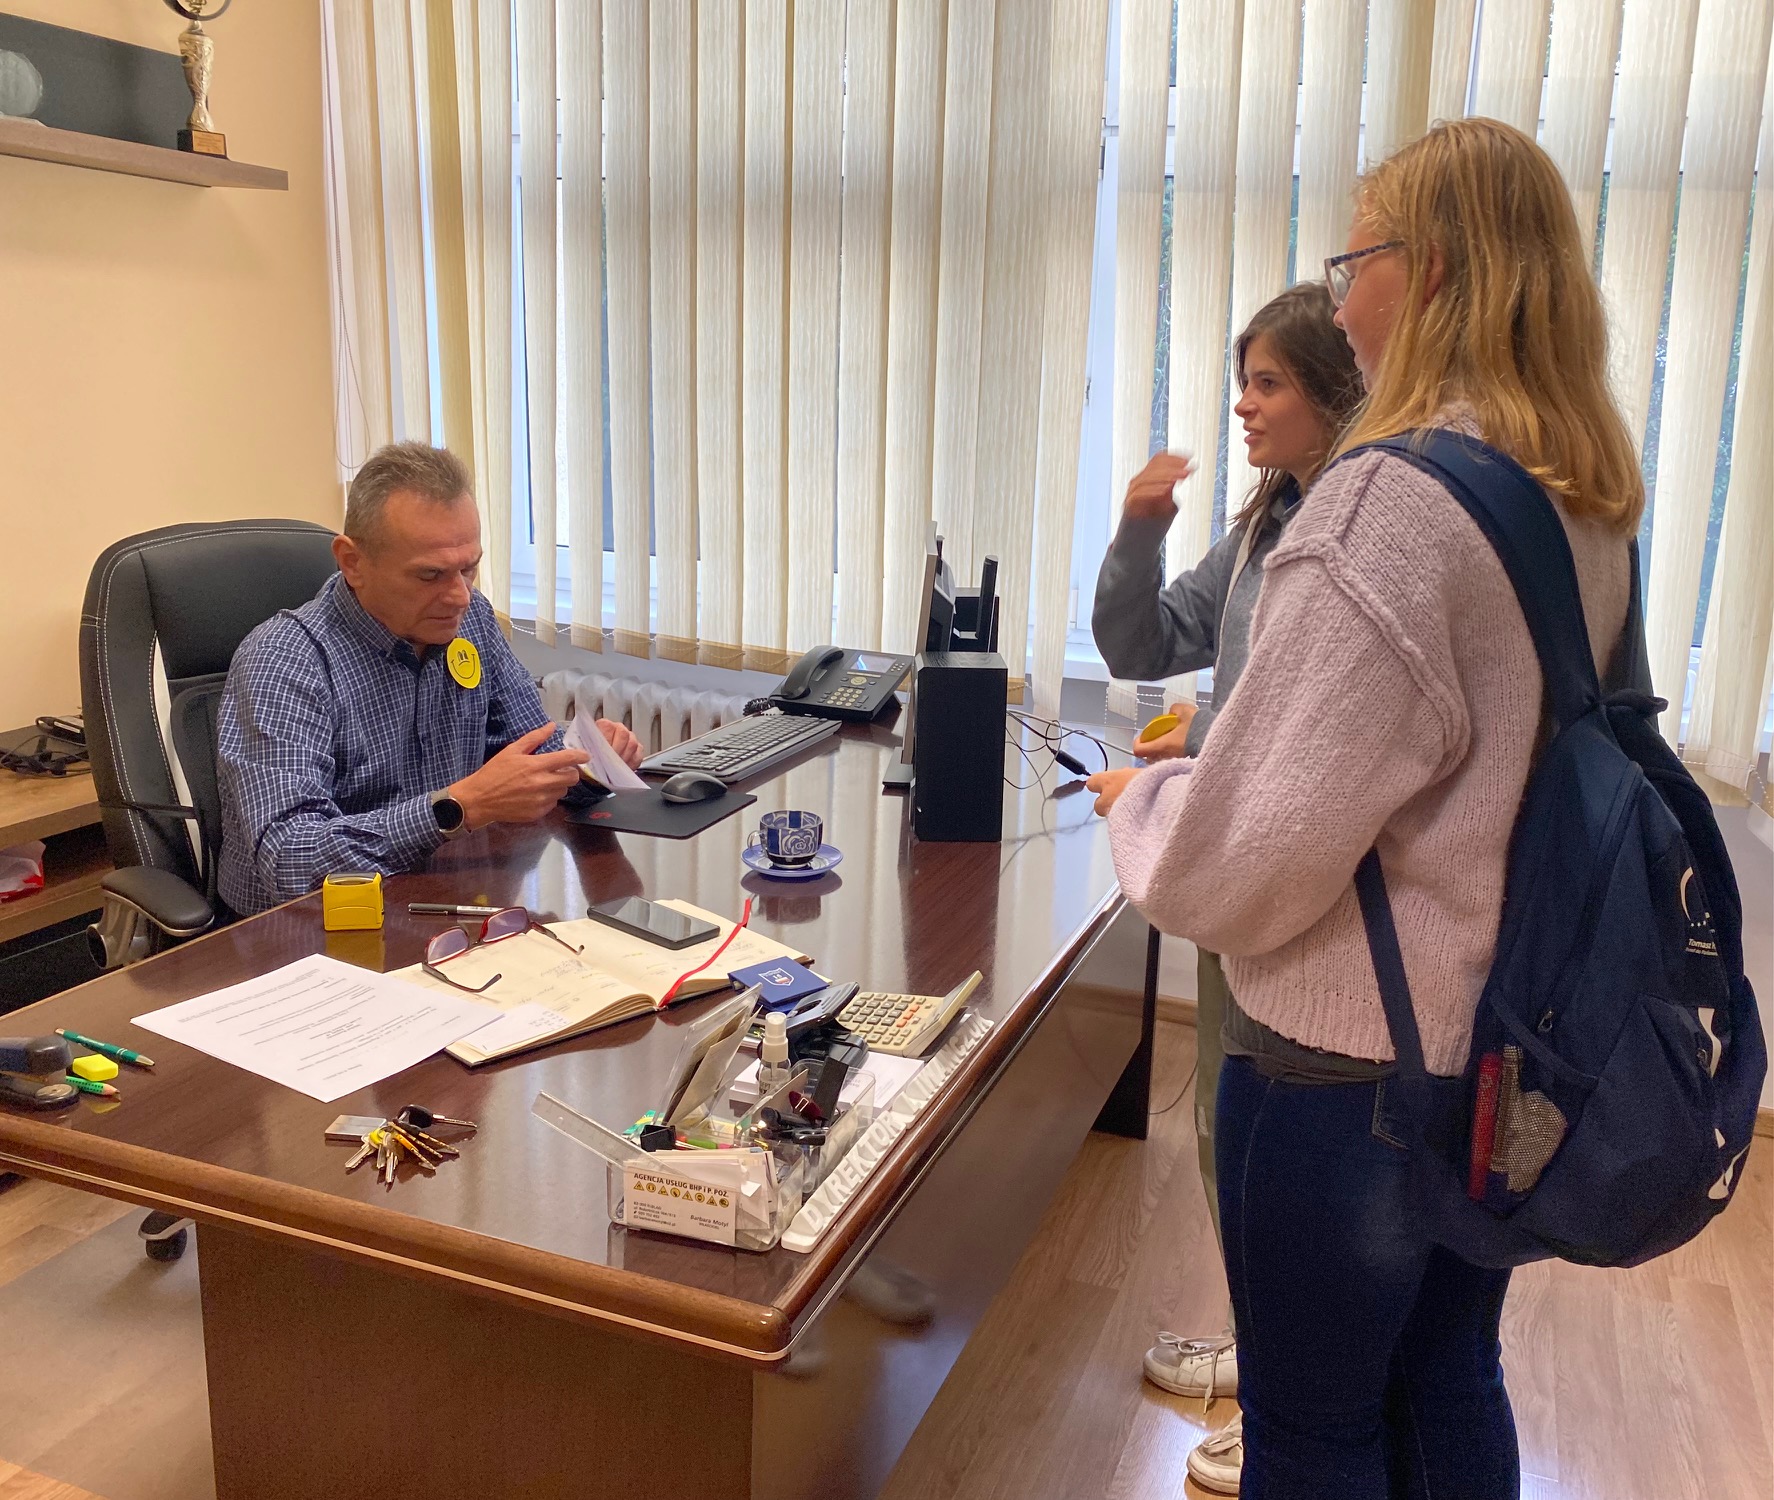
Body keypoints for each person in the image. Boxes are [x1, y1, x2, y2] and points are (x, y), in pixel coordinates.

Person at [1089, 116, 1648, 1499]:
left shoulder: (1383, 508)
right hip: (1502, 1046)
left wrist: (1145, 804)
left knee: (1314, 1428)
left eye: (1354, 263)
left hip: (1350, 1068)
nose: (1339, 304)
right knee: (1447, 1378)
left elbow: (1240, 864)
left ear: (1432, 269)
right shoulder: (1576, 496)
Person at [1092, 282, 1363, 1493]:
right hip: (1228, 858)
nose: (1242, 406)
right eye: (1239, 383)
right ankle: (1265, 1359)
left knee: (1274, 1162)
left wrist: (1197, 745)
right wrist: (1139, 527)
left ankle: (1289, 1398)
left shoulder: (1356, 531)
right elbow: (1141, 644)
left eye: (1267, 384)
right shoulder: (1264, 524)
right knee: (1220, 1128)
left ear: (1332, 392)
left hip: (1290, 883)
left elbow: (1313, 728)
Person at [218, 442, 642, 916]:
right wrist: (457, 808)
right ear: (352, 563)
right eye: (430, 575)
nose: (460, 596)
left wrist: (587, 760)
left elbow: (529, 751)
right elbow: (290, 860)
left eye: (469, 568)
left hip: (442, 900)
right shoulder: (284, 660)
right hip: (303, 931)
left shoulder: (470, 620)